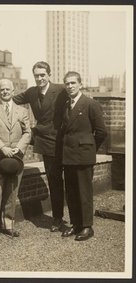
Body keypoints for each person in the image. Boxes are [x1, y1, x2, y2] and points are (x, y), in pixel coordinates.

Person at [13, 61, 68, 232]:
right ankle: (58, 219)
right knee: (54, 181)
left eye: (42, 75)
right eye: (36, 75)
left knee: (72, 181)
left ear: (49, 74)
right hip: (45, 142)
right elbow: (11, 101)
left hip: (64, 141)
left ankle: (78, 221)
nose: (39, 78)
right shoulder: (31, 92)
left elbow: (78, 101)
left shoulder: (60, 90)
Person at [58, 71, 107, 241]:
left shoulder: (90, 104)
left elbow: (101, 131)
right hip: (69, 156)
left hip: (83, 156)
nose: (70, 86)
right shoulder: (66, 104)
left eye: (73, 83)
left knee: (84, 192)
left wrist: (89, 148)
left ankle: (87, 226)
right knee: (71, 192)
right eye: (67, 83)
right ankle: (76, 224)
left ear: (80, 84)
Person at [0, 79, 31, 245]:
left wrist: (18, 148)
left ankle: (8, 224)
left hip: (16, 159)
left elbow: (27, 132)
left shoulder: (22, 111)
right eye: (1, 89)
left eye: (7, 89)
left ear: (13, 90)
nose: (4, 92)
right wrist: (2, 148)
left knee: (12, 191)